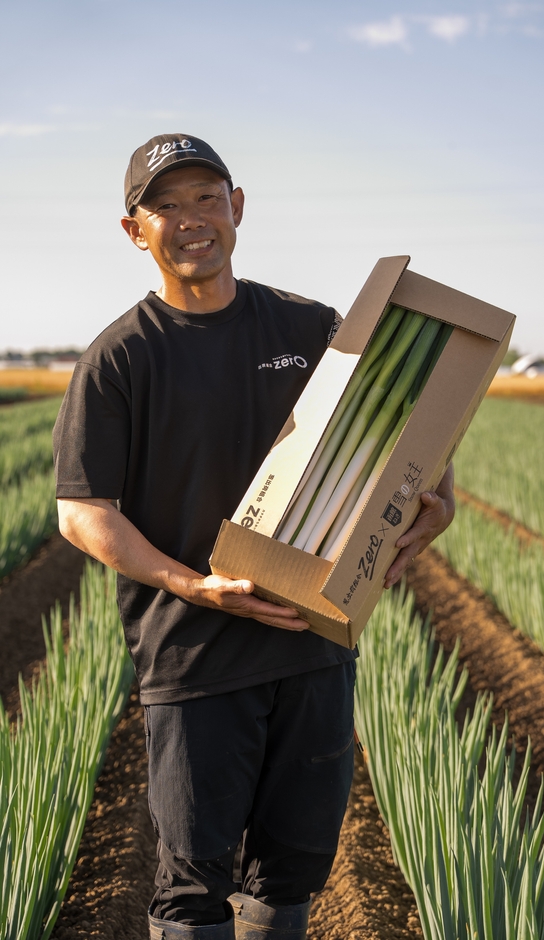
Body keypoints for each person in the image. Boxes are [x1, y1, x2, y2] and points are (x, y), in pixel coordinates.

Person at [53, 133, 455, 940]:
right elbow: (82, 511)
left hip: (313, 646)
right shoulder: (122, 357)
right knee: (191, 886)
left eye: (206, 197)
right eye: (164, 204)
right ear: (135, 231)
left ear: (236, 209)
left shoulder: (313, 328)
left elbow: (405, 429)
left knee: (294, 869)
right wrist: (190, 584)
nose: (189, 218)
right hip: (194, 658)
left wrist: (437, 495)